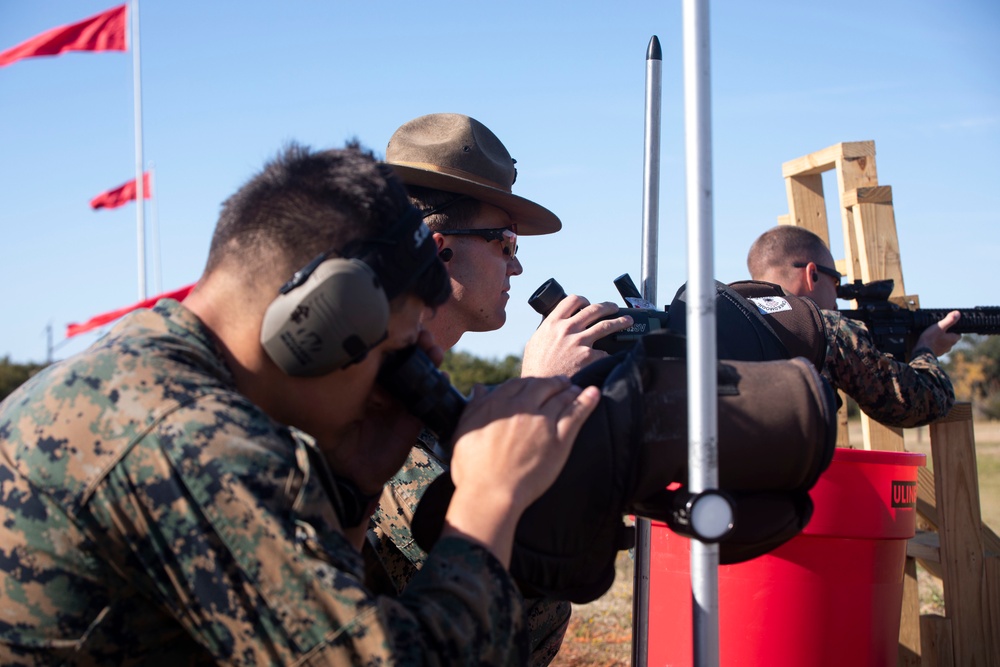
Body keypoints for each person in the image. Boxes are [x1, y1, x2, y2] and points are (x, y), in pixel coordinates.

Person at [0, 142, 601, 665]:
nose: (413, 375)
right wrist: (489, 496)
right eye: (395, 354)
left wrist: (359, 491)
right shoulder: (192, 438)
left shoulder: (141, 372)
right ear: (322, 318)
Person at [365, 113, 634, 665]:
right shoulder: (369, 404)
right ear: (439, 249)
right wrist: (534, 399)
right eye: (504, 241)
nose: (517, 264)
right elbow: (469, 613)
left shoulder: (421, 392)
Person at [746, 224, 960, 427]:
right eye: (836, 282)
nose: (837, 299)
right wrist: (927, 349)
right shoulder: (825, 327)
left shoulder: (733, 315)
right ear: (813, 274)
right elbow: (917, 404)